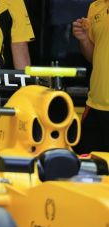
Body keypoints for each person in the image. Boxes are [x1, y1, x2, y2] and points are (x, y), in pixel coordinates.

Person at [72, 0, 109, 154]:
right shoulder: (96, 6)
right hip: (96, 105)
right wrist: (85, 39)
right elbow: (96, 56)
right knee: (87, 171)